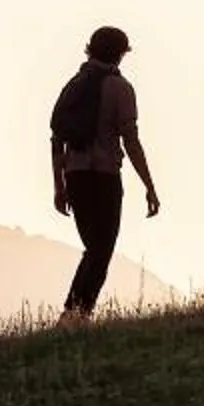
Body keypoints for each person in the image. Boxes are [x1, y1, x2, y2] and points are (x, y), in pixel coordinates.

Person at [48, 25, 158, 318]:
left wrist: (59, 186)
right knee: (102, 249)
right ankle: (76, 314)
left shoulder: (74, 86)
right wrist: (149, 185)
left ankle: (75, 313)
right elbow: (131, 141)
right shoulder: (121, 89)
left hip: (75, 176)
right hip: (105, 176)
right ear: (120, 54)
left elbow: (57, 139)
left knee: (94, 247)